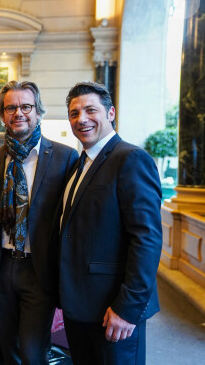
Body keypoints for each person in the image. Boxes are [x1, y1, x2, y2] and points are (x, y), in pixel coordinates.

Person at [58, 81, 162, 364]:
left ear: (111, 113)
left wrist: (127, 308)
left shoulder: (130, 159)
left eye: (91, 110)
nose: (82, 119)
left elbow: (147, 239)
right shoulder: (81, 163)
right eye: (74, 113)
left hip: (113, 309)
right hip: (80, 306)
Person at [0, 81, 78, 364]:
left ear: (38, 112)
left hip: (38, 269)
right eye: (11, 107)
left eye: (26, 106)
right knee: (8, 348)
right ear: (2, 115)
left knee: (32, 352)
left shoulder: (65, 157)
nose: (19, 113)